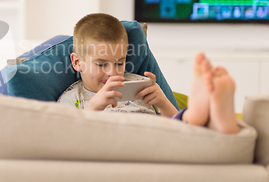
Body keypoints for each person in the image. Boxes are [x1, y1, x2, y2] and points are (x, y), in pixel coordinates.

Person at [57, 13, 239, 134]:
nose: (112, 73)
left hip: (158, 136)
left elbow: (170, 126)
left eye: (120, 63)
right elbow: (68, 140)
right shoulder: (73, 99)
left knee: (186, 130)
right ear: (77, 62)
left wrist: (162, 102)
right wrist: (93, 108)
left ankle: (207, 115)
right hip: (121, 144)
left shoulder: (139, 83)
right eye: (101, 64)